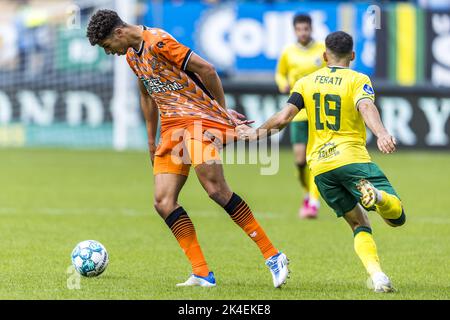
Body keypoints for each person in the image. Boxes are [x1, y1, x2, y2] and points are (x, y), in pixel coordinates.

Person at [86, 9, 289, 288]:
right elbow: (146, 93)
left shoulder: (158, 41)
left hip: (196, 121)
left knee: (216, 190)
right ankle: (202, 273)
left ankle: (273, 255)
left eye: (108, 47)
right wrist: (150, 139)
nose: (110, 53)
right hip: (171, 129)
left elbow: (207, 70)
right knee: (163, 201)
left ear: (119, 33)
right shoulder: (133, 55)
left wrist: (222, 113)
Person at [238, 31, 406, 292]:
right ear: (352, 55)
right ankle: (379, 197)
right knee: (397, 218)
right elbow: (365, 107)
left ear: (324, 55)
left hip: (321, 169)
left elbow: (283, 118)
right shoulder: (358, 79)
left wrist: (255, 133)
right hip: (352, 159)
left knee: (358, 223)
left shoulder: (306, 82)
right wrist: (382, 133)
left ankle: (378, 277)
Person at [275, 14, 325, 219]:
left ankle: (314, 202)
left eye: (306, 29)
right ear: (295, 30)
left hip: (317, 112)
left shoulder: (322, 50)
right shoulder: (288, 52)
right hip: (297, 112)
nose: (303, 32)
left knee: (315, 159)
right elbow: (280, 73)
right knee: (299, 160)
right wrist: (282, 84)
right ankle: (307, 193)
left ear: (311, 28)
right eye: (299, 29)